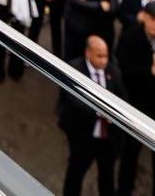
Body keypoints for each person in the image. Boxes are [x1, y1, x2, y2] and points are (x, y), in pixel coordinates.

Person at [115, 2, 155, 196]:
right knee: (130, 153)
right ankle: (124, 189)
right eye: (154, 20)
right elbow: (123, 71)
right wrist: (152, 70)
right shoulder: (130, 37)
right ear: (145, 18)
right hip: (136, 105)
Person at [59, 36, 128, 196]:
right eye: (99, 56)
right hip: (83, 136)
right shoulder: (75, 69)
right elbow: (73, 101)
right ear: (88, 53)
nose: (104, 60)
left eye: (106, 55)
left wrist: (116, 116)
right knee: (75, 175)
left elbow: (123, 99)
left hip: (107, 138)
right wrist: (102, 111)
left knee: (107, 178)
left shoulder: (113, 71)